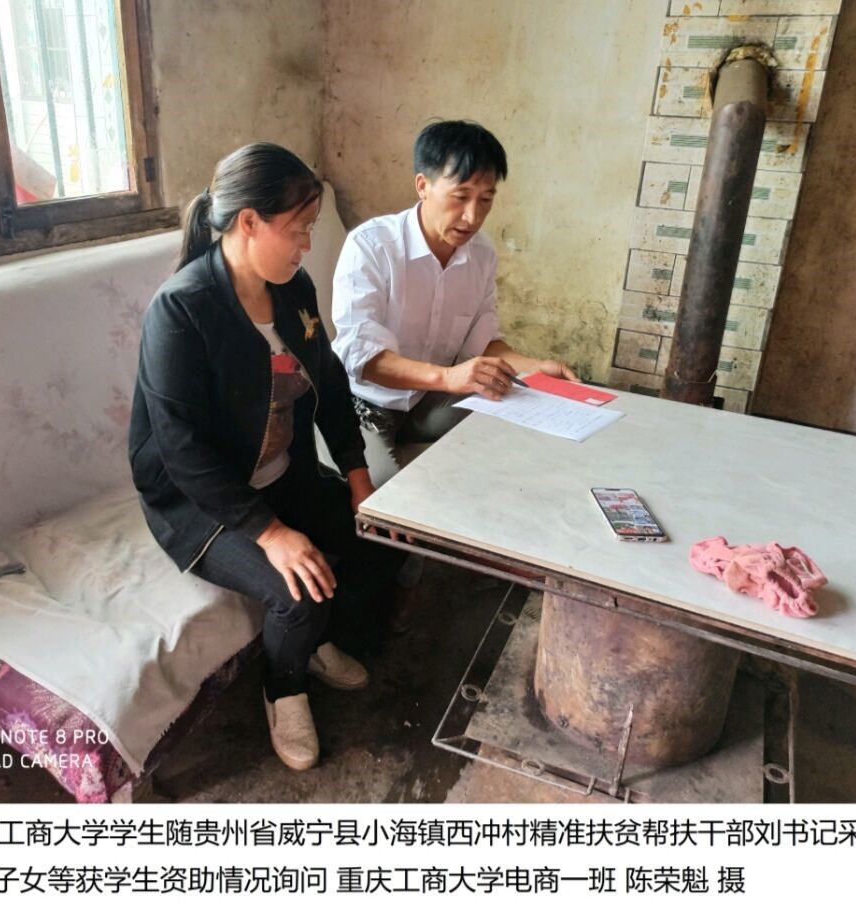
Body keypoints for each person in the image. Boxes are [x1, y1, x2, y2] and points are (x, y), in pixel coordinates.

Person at [129, 142, 402, 771]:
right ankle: (284, 686)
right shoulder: (182, 309)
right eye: (299, 228)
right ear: (249, 222)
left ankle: (312, 642)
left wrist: (358, 476)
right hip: (203, 503)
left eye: (311, 228)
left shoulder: (292, 287)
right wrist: (271, 533)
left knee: (379, 537)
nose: (307, 244)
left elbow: (328, 381)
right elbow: (181, 450)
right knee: (298, 592)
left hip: (282, 474)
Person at [330, 120, 578, 627]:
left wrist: (536, 367)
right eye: (460, 196)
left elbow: (485, 341)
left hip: (428, 400)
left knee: (520, 408)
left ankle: (496, 546)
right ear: (422, 186)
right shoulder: (372, 246)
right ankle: (399, 590)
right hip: (365, 403)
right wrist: (449, 379)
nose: (472, 216)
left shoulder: (480, 255)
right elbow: (364, 358)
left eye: (486, 200)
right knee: (394, 500)